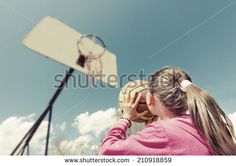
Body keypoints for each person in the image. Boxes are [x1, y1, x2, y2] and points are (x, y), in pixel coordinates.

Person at [99, 66, 236, 155]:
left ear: (151, 100)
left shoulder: (161, 133)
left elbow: (107, 152)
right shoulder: (208, 124)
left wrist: (126, 118)